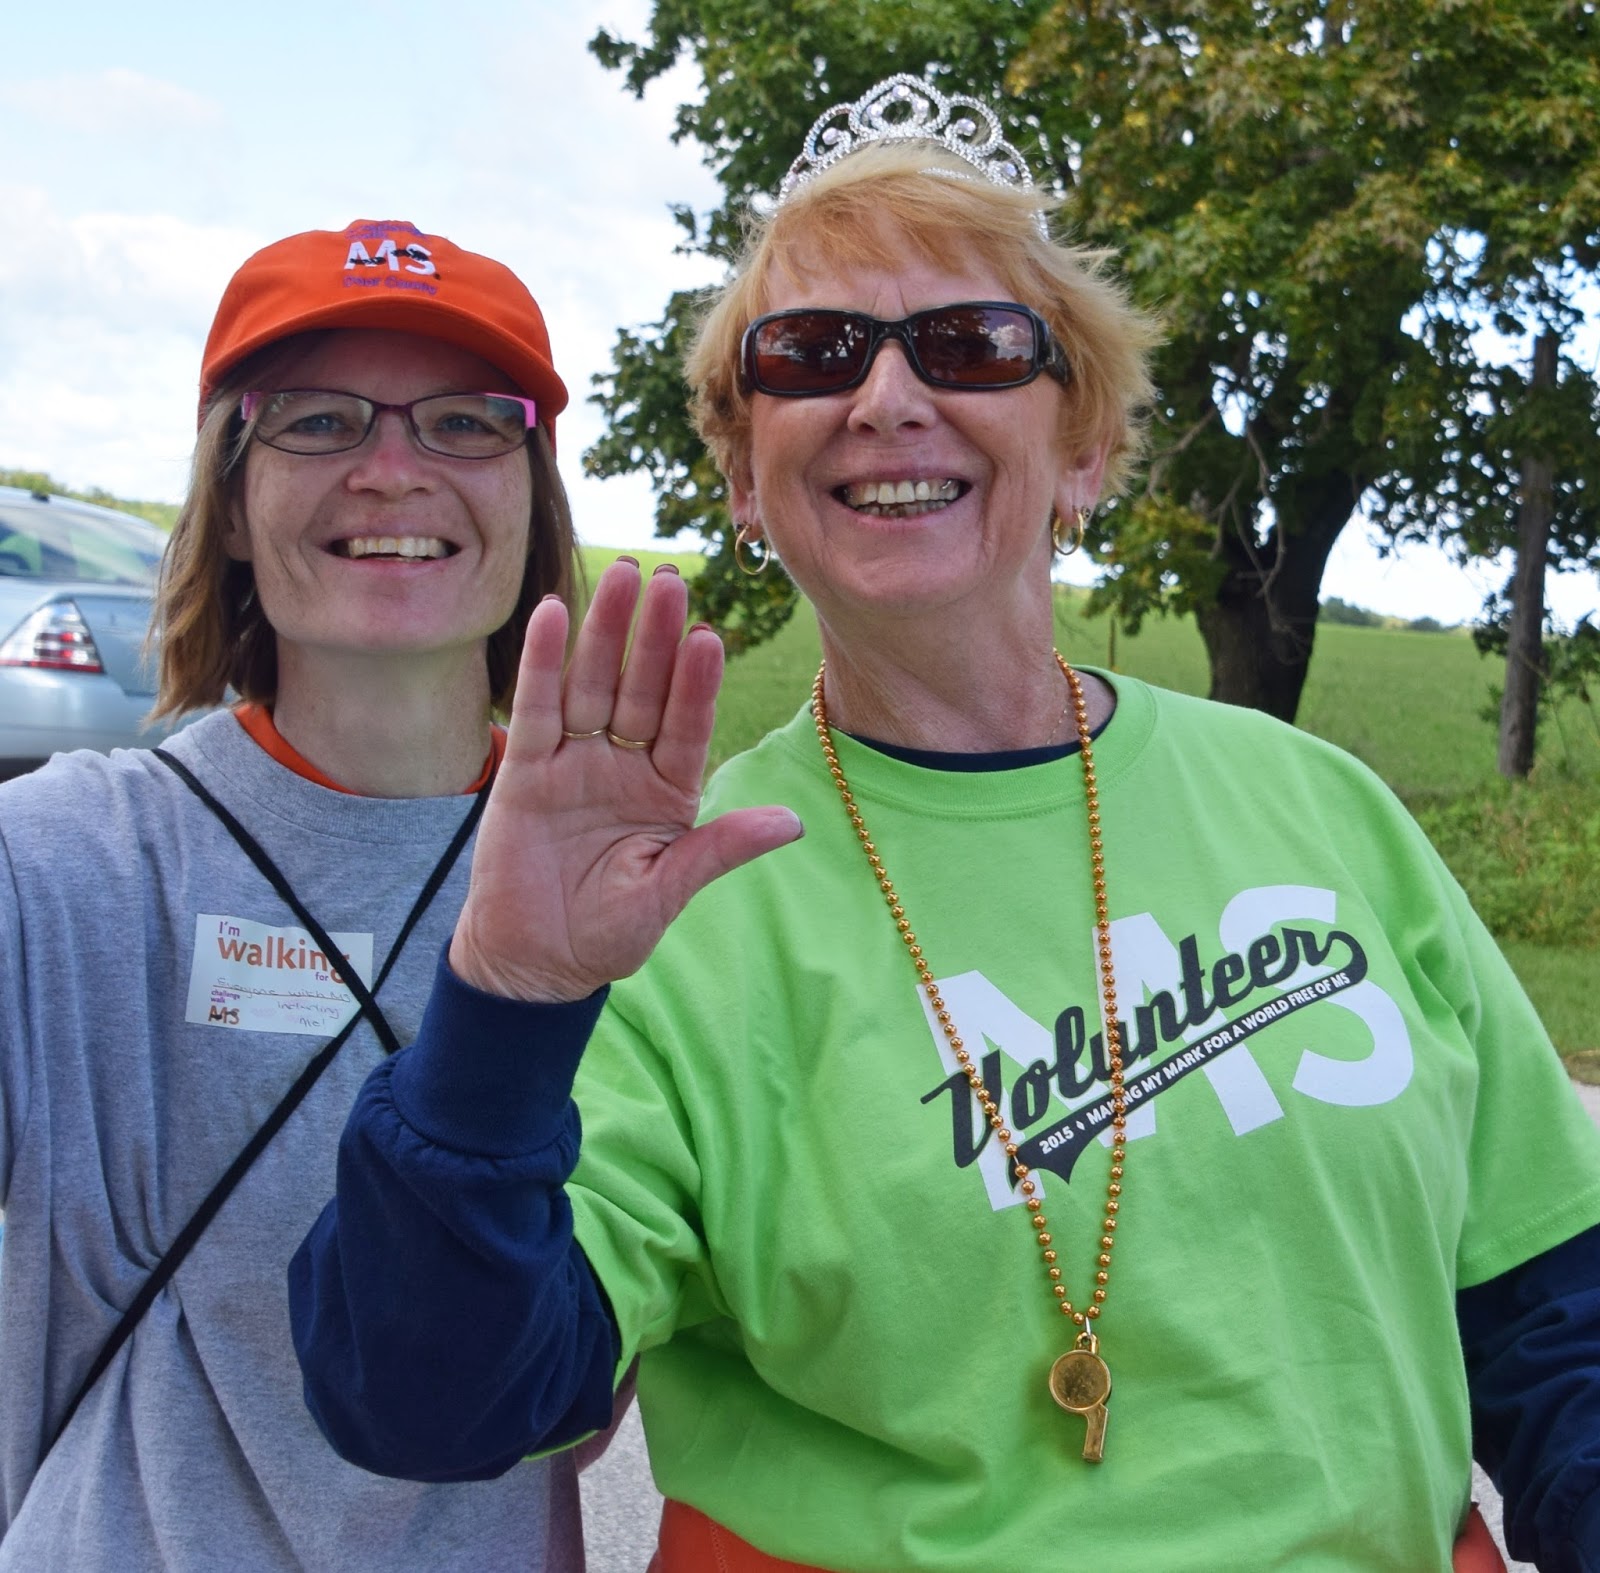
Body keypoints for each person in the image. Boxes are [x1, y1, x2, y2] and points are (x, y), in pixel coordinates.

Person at [289, 80, 1600, 1573]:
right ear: (742, 473)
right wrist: (508, 1000)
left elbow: (1557, 1320)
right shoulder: (668, 899)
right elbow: (426, 1396)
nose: (889, 396)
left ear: (1088, 446)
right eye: (816, 351)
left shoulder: (1326, 808)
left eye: (972, 344)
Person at [0, 218, 614, 1568]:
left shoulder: (632, 890)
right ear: (228, 493)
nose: (392, 471)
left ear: (531, 495)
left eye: (464, 423)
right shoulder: (57, 865)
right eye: (320, 420)